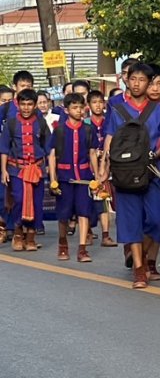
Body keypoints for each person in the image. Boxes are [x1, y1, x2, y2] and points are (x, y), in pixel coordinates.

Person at [100, 62, 160, 288]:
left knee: (157, 219)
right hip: (125, 171)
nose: (137, 84)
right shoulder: (117, 109)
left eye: (142, 80)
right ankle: (139, 269)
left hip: (152, 171)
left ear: (149, 83)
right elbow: (110, 138)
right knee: (131, 221)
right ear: (127, 81)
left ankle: (144, 255)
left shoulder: (159, 110)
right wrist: (104, 168)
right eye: (133, 79)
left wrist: (155, 155)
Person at [50, 92, 98, 263]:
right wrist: (53, 178)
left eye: (81, 107)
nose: (78, 110)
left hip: (84, 178)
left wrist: (97, 177)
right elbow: (52, 156)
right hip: (65, 178)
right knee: (64, 214)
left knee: (84, 212)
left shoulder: (89, 129)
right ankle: (63, 243)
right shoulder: (59, 130)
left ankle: (82, 249)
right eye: (74, 107)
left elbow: (93, 153)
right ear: (66, 110)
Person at [2, 89, 52, 252]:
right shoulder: (11, 123)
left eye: (29, 104)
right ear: (18, 104)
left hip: (36, 169)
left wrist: (51, 169)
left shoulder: (41, 123)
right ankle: (18, 232)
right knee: (18, 199)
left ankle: (31, 236)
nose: (26, 108)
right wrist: (4, 170)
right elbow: (4, 148)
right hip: (17, 169)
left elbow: (48, 147)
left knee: (36, 203)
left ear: (35, 105)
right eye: (23, 104)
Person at [86, 89, 113, 248]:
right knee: (86, 201)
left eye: (100, 102)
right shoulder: (85, 123)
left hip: (105, 165)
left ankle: (106, 235)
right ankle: (88, 232)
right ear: (88, 105)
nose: (98, 105)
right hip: (87, 166)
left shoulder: (108, 122)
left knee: (103, 199)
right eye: (94, 102)